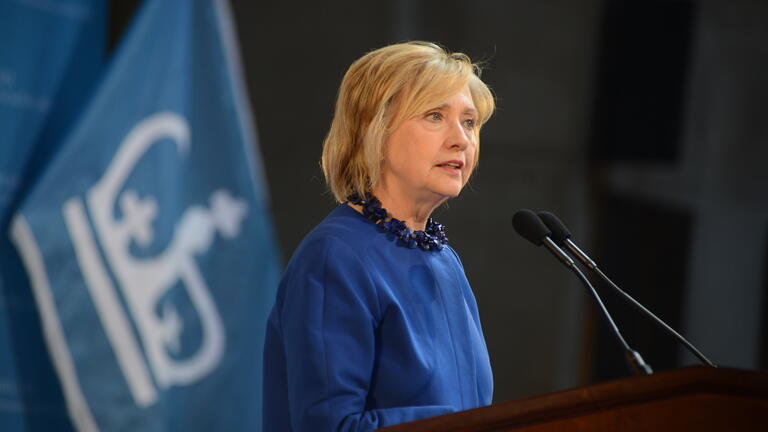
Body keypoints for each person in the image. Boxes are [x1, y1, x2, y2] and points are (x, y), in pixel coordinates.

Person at [262, 41, 496, 431]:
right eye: (435, 116)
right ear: (375, 129)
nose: (461, 139)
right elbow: (331, 425)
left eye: (469, 122)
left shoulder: (444, 260)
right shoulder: (335, 257)